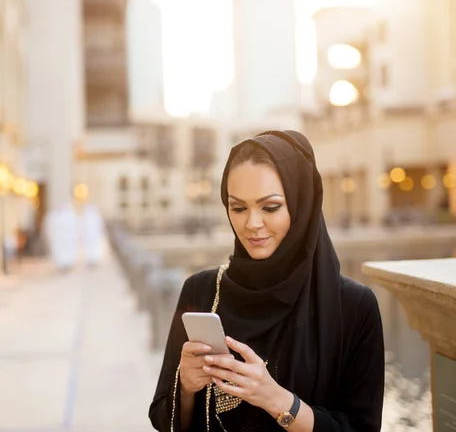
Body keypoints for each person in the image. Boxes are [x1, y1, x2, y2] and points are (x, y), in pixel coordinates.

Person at [149, 131, 385, 431]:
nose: (252, 224)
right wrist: (185, 386)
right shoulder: (202, 291)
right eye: (238, 207)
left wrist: (278, 401)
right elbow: (162, 416)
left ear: (302, 204)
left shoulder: (352, 306)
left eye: (270, 207)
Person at [45, 203, 79, 272]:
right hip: (58, 240)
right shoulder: (54, 217)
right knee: (59, 253)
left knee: (67, 252)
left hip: (67, 240)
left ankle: (68, 263)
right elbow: (50, 228)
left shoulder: (70, 216)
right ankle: (61, 265)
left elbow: (74, 228)